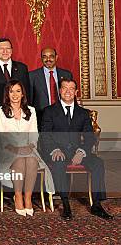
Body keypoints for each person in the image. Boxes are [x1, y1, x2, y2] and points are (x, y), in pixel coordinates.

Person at [41, 77, 113, 220]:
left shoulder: (83, 113)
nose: (68, 91)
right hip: (57, 151)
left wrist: (81, 152)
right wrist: (55, 150)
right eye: (64, 88)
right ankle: (65, 203)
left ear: (76, 92)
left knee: (98, 163)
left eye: (71, 89)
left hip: (77, 152)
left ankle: (97, 205)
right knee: (59, 162)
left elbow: (89, 137)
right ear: (60, 91)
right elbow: (45, 135)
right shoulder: (49, 111)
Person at [0, 80, 54, 216]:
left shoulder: (31, 111)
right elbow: (0, 135)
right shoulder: (0, 111)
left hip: (28, 148)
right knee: (20, 161)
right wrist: (15, 149)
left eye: (18, 91)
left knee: (32, 161)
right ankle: (18, 196)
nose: (15, 94)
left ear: (22, 94)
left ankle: (28, 197)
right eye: (11, 91)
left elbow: (34, 134)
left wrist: (30, 146)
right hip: (7, 149)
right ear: (7, 94)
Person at [0, 38, 30, 109]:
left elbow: (26, 92)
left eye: (8, 48)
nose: (5, 51)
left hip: (19, 111)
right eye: (1, 49)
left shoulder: (22, 68)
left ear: (11, 50)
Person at [28, 48, 73, 118]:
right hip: (41, 117)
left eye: (51, 56)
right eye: (44, 57)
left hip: (63, 116)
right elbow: (29, 100)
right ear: (41, 58)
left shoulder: (66, 75)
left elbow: (71, 96)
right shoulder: (32, 76)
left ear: (56, 57)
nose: (48, 59)